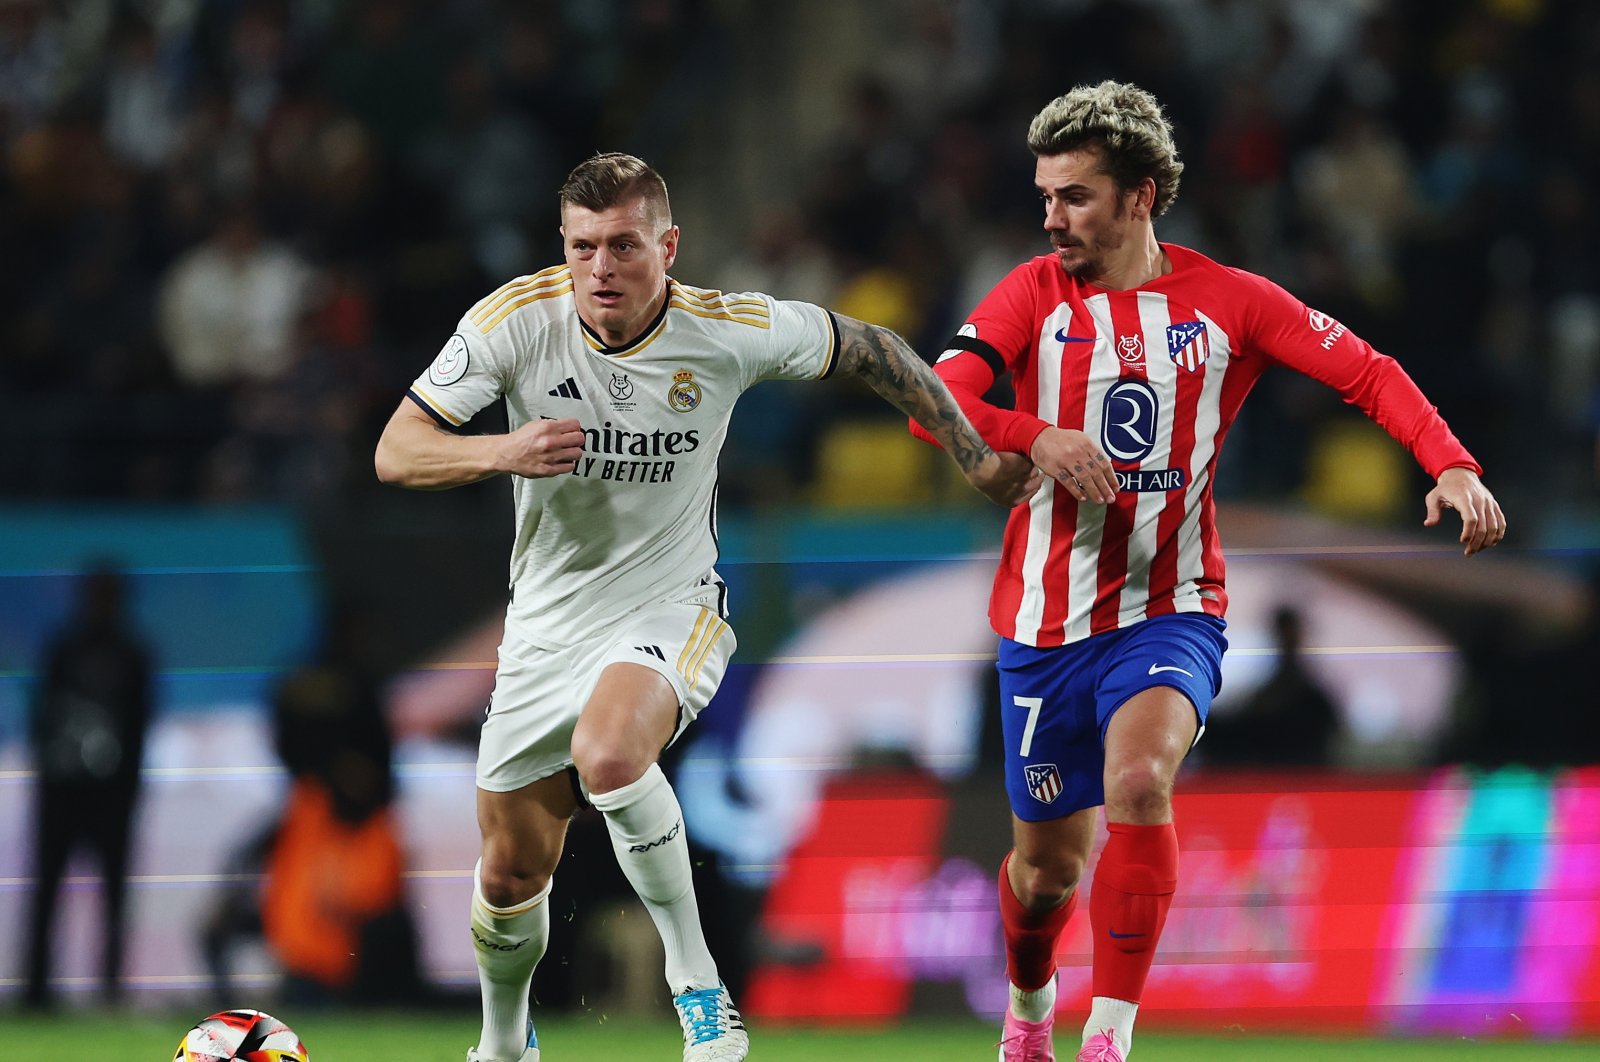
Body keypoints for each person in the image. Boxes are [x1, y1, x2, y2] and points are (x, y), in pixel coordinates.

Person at [374, 152, 1033, 1062]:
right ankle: (502, 1045)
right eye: (582, 248)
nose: (600, 268)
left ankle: (701, 993)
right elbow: (396, 451)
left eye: (623, 246)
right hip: (545, 624)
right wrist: (500, 450)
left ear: (668, 246)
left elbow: (875, 348)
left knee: (608, 755)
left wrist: (971, 452)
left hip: (669, 604)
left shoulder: (727, 329)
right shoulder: (515, 322)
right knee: (510, 867)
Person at [905, 81, 1505, 1062]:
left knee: (1139, 782)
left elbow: (1366, 370)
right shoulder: (1029, 294)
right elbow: (935, 404)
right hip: (1042, 624)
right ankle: (1027, 1010)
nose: (1050, 218)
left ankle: (1109, 1037)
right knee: (1044, 872)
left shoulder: (1230, 302)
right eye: (1045, 195)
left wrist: (1449, 462)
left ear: (1141, 196)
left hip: (1170, 607)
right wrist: (1037, 435)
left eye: (1076, 197)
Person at [25, 564, 154, 1008]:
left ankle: (109, 990)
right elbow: (41, 718)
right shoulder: (64, 649)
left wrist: (130, 792)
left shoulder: (133, 654)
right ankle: (37, 991)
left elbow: (140, 726)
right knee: (47, 895)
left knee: (113, 900)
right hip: (63, 794)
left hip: (111, 798)